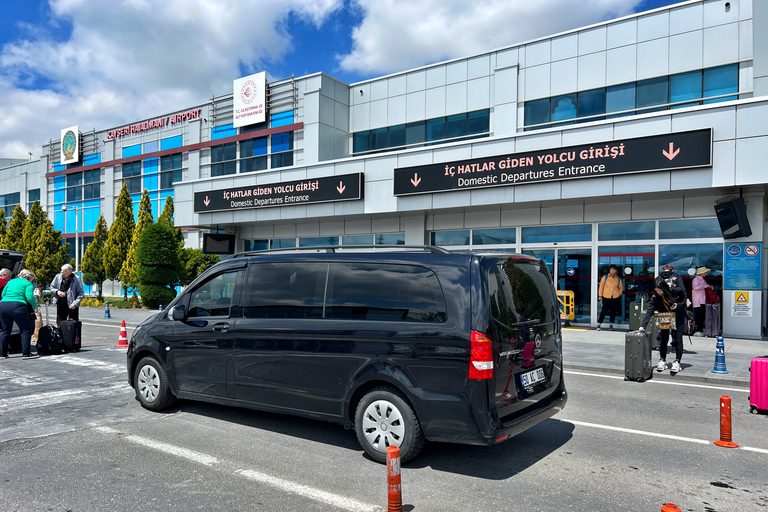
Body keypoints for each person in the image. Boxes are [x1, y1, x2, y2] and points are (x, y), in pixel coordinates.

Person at [639, 264, 687, 373]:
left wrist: (678, 305)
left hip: (678, 314)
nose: (658, 292)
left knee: (678, 339)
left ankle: (677, 362)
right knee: (663, 339)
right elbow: (651, 309)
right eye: (656, 291)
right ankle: (662, 359)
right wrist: (643, 325)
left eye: (660, 290)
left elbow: (684, 298)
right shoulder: (656, 296)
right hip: (664, 315)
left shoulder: (675, 291)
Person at [0, 269, 40, 359]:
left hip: (3, 305)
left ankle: (2, 353)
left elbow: (3, 294)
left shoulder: (11, 281)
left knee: (5, 330)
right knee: (25, 330)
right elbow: (29, 297)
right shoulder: (28, 284)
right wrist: (35, 306)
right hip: (18, 306)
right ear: (29, 278)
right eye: (32, 280)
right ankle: (26, 353)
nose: (32, 281)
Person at [596, 264, 623, 331]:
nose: (612, 271)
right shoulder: (605, 277)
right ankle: (599, 324)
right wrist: (600, 295)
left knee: (613, 311)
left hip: (615, 297)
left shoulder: (618, 278)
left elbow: (621, 287)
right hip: (606, 296)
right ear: (609, 270)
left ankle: (611, 324)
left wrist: (619, 294)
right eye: (611, 269)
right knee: (604, 310)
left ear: (616, 271)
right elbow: (601, 287)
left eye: (614, 270)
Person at [691, 266, 712, 337]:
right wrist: (705, 286)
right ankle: (698, 329)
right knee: (698, 316)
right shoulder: (695, 279)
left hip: (702, 300)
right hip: (698, 300)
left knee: (702, 315)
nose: (706, 273)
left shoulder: (702, 279)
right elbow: (695, 287)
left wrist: (708, 286)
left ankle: (700, 329)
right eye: (705, 272)